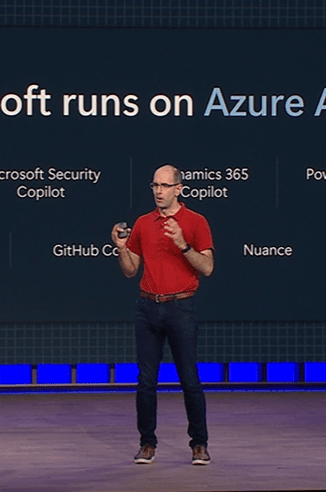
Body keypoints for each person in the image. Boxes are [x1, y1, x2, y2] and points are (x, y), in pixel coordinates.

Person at [110, 164, 214, 466]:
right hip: (147, 308)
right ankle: (147, 444)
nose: (158, 191)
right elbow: (130, 271)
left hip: (181, 308)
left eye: (165, 186)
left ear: (178, 189)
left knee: (189, 379)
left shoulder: (196, 221)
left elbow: (207, 267)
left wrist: (183, 244)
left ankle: (199, 444)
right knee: (146, 381)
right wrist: (121, 248)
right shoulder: (143, 223)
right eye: (155, 185)